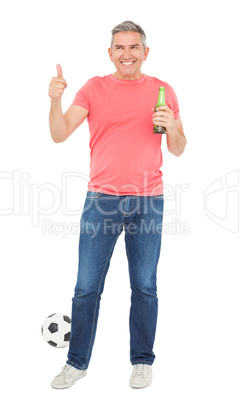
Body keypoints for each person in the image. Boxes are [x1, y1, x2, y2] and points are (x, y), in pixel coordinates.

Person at [48, 20, 186, 389]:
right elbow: (60, 134)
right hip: (101, 200)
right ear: (110, 53)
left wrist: (172, 125)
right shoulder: (94, 88)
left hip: (148, 200)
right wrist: (55, 99)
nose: (127, 54)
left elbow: (178, 147)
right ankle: (76, 363)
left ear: (145, 52)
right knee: (86, 286)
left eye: (134, 47)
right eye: (119, 48)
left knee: (144, 285)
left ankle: (142, 361)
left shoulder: (163, 90)